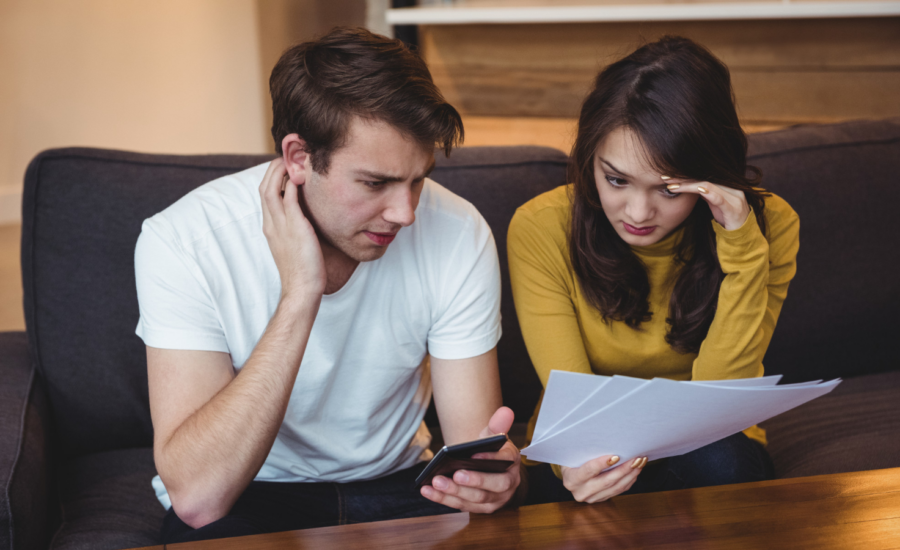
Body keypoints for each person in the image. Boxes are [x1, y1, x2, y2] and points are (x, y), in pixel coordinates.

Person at [135, 27, 523, 543]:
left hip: (402, 485)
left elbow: (471, 441)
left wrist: (490, 480)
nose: (405, 213)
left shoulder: (457, 230)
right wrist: (300, 294)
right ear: (298, 158)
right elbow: (199, 497)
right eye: (375, 182)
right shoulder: (185, 241)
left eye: (418, 178)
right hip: (253, 490)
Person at [507, 36, 799, 505]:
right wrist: (576, 466)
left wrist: (742, 247)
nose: (638, 213)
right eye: (616, 180)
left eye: (669, 189)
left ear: (713, 177)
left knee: (721, 458)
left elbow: (719, 405)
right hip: (586, 448)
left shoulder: (768, 227)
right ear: (589, 160)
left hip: (709, 447)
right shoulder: (541, 227)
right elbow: (574, 400)